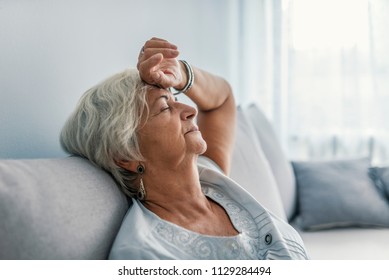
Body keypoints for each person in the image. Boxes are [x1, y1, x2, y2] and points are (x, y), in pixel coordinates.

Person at [60, 37, 308, 260]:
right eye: (165, 107)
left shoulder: (211, 176)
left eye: (176, 100)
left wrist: (182, 75)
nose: (191, 110)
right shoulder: (146, 254)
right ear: (125, 154)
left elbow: (221, 100)